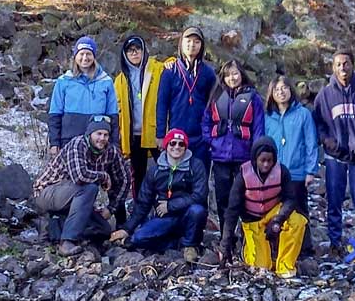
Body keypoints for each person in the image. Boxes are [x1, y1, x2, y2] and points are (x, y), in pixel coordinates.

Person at [313, 50, 355, 257]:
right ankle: (335, 243)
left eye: (346, 63)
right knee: (334, 202)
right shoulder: (325, 95)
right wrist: (328, 142)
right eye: (338, 64)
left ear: (353, 65)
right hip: (335, 158)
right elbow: (318, 123)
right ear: (333, 68)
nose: (343, 68)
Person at [33, 114, 130, 257]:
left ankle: (52, 226)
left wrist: (111, 208)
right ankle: (67, 242)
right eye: (98, 134)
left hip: (75, 199)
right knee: (89, 188)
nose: (102, 138)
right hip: (47, 193)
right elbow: (79, 177)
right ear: (90, 133)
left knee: (103, 229)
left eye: (106, 134)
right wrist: (103, 176)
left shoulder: (111, 151)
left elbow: (124, 180)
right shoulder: (77, 144)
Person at [110, 128, 208, 262]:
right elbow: (144, 202)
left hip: (187, 215)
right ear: (166, 146)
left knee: (198, 211)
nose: (177, 147)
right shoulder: (155, 170)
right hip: (165, 218)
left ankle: (189, 245)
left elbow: (200, 195)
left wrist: (171, 206)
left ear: (186, 147)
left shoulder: (196, 166)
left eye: (181, 144)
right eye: (173, 143)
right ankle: (175, 244)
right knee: (138, 238)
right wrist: (127, 228)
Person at [218, 138, 306, 279]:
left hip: (273, 212)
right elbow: (232, 210)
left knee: (297, 221)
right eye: (262, 160)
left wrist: (278, 219)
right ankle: (247, 248)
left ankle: (285, 266)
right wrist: (225, 243)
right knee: (261, 268)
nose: (266, 165)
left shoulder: (282, 171)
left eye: (269, 161)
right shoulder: (243, 176)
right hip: (252, 219)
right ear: (255, 159)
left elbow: (290, 199)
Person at [202, 60, 264, 229]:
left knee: (244, 198)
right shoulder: (216, 96)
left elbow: (258, 127)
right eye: (228, 75)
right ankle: (226, 235)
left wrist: (256, 152)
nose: (232, 78)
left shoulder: (254, 98)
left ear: (242, 75)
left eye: (235, 74)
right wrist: (211, 141)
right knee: (223, 198)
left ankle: (246, 235)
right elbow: (206, 121)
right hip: (220, 156)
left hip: (243, 157)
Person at [264, 75, 318, 255]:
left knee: (299, 208)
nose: (281, 92)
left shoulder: (303, 114)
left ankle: (305, 248)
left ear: (291, 90)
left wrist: (311, 170)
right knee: (276, 210)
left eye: (284, 88)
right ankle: (278, 247)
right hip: (274, 172)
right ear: (271, 93)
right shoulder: (268, 117)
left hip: (296, 171)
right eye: (277, 89)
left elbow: (311, 142)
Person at [156, 25, 216, 172]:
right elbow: (162, 104)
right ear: (181, 43)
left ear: (201, 46)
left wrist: (212, 134)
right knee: (176, 180)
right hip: (176, 137)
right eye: (188, 41)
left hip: (201, 137)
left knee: (200, 178)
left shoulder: (208, 73)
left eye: (196, 42)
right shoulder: (170, 71)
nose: (192, 45)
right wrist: (160, 134)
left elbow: (214, 105)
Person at [48, 35, 119, 155]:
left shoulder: (106, 81)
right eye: (81, 54)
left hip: (97, 142)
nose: (85, 58)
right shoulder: (64, 81)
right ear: (75, 56)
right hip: (69, 140)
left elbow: (113, 116)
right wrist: (54, 142)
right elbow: (55, 114)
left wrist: (115, 144)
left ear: (94, 56)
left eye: (88, 54)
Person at [113, 33, 165, 196]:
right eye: (130, 50)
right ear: (124, 54)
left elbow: (173, 65)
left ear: (144, 51)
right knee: (138, 174)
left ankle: (168, 207)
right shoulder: (120, 80)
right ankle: (139, 209)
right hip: (133, 135)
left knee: (166, 170)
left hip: (156, 132)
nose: (134, 53)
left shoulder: (157, 70)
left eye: (137, 49)